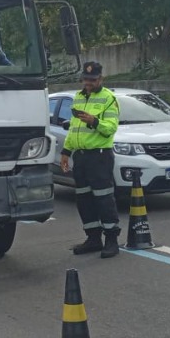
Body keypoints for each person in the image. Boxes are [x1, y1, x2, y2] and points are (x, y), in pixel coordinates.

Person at [60, 61, 121, 257]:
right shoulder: (78, 97)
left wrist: (94, 121)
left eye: (93, 80)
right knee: (84, 199)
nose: (89, 83)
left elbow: (111, 128)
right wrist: (66, 152)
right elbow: (73, 129)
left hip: (99, 156)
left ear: (100, 79)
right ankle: (93, 238)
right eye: (86, 79)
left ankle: (111, 239)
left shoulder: (108, 98)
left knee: (104, 199)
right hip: (81, 157)